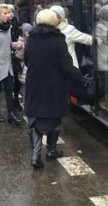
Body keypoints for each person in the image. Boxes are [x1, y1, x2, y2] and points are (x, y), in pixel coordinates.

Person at [24, 9, 87, 168]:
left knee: (35, 118)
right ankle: (51, 151)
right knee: (54, 117)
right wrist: (82, 80)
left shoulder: (31, 38)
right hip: (54, 85)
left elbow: (27, 60)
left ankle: (35, 155)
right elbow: (67, 66)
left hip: (34, 84)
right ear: (54, 21)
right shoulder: (58, 40)